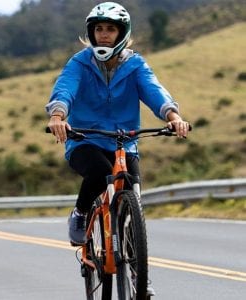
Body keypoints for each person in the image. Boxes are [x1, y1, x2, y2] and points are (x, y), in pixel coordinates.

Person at [46, 2, 190, 246]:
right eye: (99, 28)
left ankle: (137, 275)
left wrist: (173, 117)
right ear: (91, 33)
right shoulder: (79, 63)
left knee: (133, 200)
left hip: (125, 143)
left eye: (110, 29)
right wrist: (57, 116)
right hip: (85, 140)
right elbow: (65, 89)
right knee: (101, 174)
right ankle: (80, 215)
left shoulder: (135, 65)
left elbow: (153, 91)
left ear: (122, 33)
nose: (103, 34)